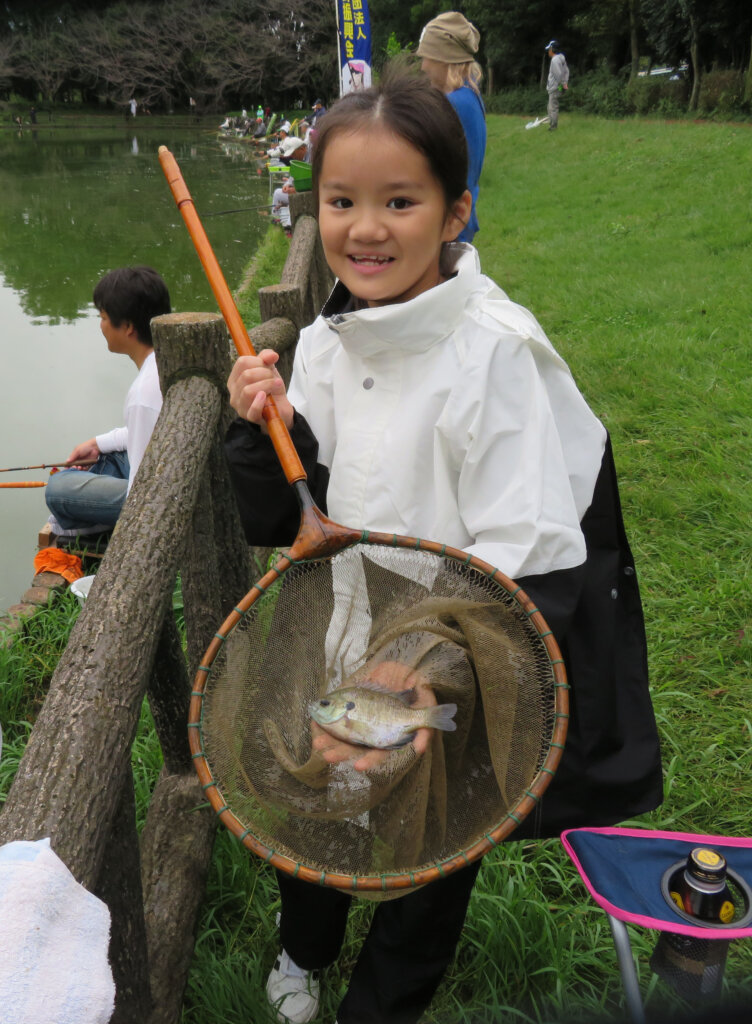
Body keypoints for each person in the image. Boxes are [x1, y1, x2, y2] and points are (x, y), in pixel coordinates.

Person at [224, 69, 662, 1024]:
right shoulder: (334, 335)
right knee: (319, 791)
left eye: (399, 201)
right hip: (344, 623)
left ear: (455, 211)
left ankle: (379, 1006)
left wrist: (422, 670)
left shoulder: (496, 353)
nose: (365, 228)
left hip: (466, 653)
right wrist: (267, 427)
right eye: (342, 201)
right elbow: (291, 514)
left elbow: (533, 556)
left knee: (432, 846)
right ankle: (304, 951)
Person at [45, 266, 171, 537]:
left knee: (58, 489)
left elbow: (143, 496)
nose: (100, 325)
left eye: (103, 317)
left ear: (127, 327)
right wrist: (96, 444)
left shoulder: (144, 393)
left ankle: (88, 523)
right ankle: (87, 513)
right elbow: (150, 430)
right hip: (167, 475)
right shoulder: (166, 359)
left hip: (159, 500)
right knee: (107, 456)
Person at [417, 11, 486, 243]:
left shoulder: (455, 104)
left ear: (443, 57)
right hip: (457, 221)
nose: (423, 66)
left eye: (427, 56)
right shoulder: (470, 97)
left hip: (447, 225)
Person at [545, 39, 569, 131]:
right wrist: (564, 84)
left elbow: (558, 75)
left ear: (553, 49)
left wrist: (563, 84)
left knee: (552, 107)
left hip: (554, 87)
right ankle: (552, 123)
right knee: (550, 107)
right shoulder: (561, 59)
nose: (548, 51)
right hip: (557, 86)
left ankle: (553, 127)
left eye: (549, 49)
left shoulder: (555, 60)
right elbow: (566, 71)